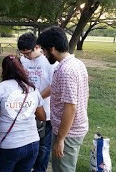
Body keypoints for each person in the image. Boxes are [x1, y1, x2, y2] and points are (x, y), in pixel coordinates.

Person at [36, 26, 89, 172]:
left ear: (52, 49)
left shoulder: (66, 71)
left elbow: (71, 107)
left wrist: (60, 139)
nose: (44, 54)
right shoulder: (76, 63)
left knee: (63, 169)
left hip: (68, 133)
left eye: (44, 50)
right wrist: (35, 98)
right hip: (67, 129)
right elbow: (55, 88)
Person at [0, 55, 46, 172]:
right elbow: (42, 116)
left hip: (8, 145)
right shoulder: (32, 88)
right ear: (21, 69)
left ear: (4, 70)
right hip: (32, 142)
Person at [18, 32, 57, 172]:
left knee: (43, 146)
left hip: (45, 111)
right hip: (27, 109)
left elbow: (53, 86)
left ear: (37, 47)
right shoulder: (23, 60)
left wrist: (36, 99)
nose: (26, 56)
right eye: (23, 54)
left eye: (28, 53)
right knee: (27, 141)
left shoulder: (50, 62)